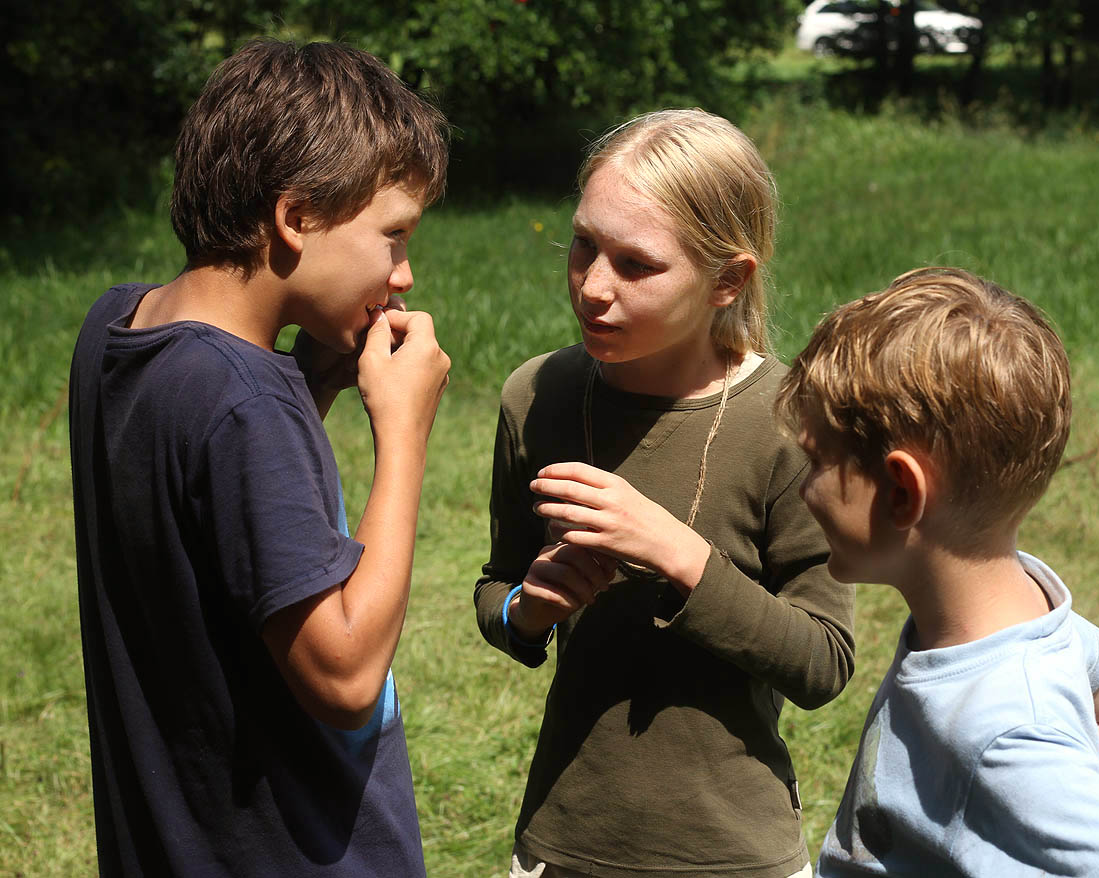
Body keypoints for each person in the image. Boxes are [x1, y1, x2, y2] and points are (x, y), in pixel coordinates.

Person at [68, 40, 450, 876]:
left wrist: (310, 386)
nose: (406, 274)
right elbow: (344, 676)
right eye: (393, 237)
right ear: (296, 217)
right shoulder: (246, 404)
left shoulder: (115, 329)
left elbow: (211, 520)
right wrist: (404, 435)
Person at [473, 108, 858, 878]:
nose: (592, 286)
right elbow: (496, 591)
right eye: (583, 245)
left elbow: (823, 661)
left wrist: (680, 556)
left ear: (727, 280)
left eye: (636, 265)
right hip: (564, 846)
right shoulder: (537, 397)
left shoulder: (790, 424)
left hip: (733, 855)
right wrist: (530, 607)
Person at [777, 267, 1099, 877]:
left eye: (815, 462)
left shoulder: (1003, 729)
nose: (803, 488)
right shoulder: (1031, 615)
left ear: (900, 492)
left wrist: (1038, 798)